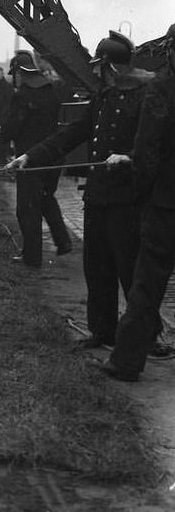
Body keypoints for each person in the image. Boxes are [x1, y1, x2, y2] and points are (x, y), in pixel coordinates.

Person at [7, 32, 150, 349]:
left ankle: (145, 336)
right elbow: (72, 134)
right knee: (97, 266)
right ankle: (103, 332)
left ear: (110, 67)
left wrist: (130, 157)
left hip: (127, 198)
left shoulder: (146, 97)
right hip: (98, 195)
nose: (95, 72)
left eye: (99, 67)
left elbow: (158, 144)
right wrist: (30, 157)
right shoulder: (104, 97)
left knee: (129, 267)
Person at [99, 23, 175, 381]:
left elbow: (147, 152)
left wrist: (142, 197)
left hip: (165, 203)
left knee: (146, 285)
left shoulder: (161, 89)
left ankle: (126, 362)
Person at [1, 51, 73, 268]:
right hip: (52, 155)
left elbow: (14, 125)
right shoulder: (51, 90)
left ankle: (32, 258)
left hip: (29, 158)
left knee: (27, 208)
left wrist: (2, 135)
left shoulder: (22, 95)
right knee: (46, 198)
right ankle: (63, 241)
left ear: (19, 73)